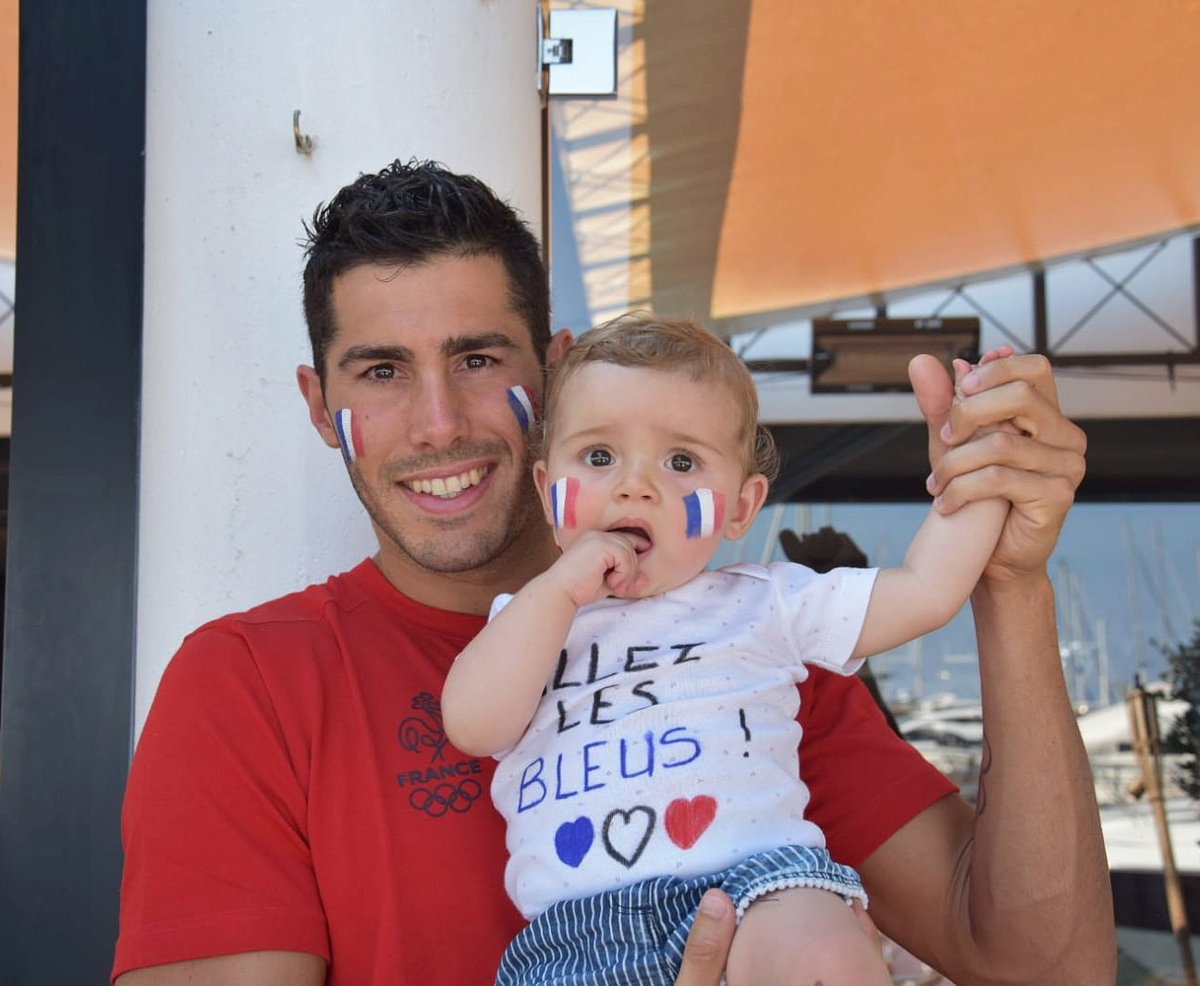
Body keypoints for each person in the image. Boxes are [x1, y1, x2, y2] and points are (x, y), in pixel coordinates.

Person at [111, 159, 1114, 985]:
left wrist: (1011, 582)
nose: (439, 423)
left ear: (549, 374)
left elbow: (1043, 966)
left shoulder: (737, 631)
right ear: (317, 399)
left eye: (477, 358)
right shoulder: (245, 683)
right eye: (380, 371)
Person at [442, 315, 1011, 985]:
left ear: (742, 508)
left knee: (825, 953)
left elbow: (925, 592)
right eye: (599, 457)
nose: (636, 485)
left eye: (681, 462)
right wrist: (561, 591)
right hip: (577, 937)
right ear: (547, 490)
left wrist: (974, 477)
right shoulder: (529, 624)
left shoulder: (765, 603)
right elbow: (473, 725)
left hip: (757, 888)